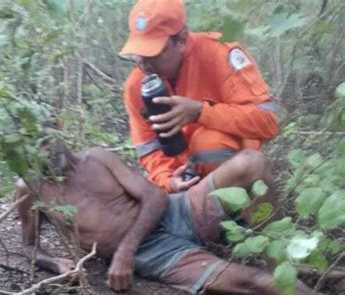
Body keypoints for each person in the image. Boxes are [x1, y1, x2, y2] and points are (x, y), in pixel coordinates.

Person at [13, 143, 345, 295]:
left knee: (250, 162)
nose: (43, 147)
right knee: (256, 284)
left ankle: (280, 261)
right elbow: (28, 247)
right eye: (33, 143)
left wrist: (124, 251)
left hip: (174, 211)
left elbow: (155, 198)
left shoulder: (96, 158)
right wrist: (55, 263)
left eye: (45, 137)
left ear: (56, 130)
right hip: (155, 253)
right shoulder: (29, 190)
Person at [120, 0, 280, 193]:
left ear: (181, 40)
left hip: (234, 169)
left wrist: (201, 112)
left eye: (153, 54)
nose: (144, 65)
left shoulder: (219, 53)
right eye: (139, 55)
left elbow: (268, 122)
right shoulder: (136, 85)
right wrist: (168, 180)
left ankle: (243, 215)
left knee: (208, 142)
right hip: (183, 176)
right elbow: (148, 148)